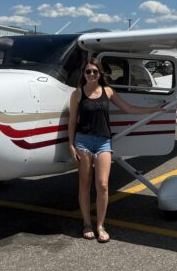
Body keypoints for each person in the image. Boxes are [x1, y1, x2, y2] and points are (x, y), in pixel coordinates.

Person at [68, 58, 163, 243]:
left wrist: (154, 109)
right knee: (85, 184)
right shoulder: (78, 93)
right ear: (84, 74)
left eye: (95, 72)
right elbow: (72, 120)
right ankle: (87, 224)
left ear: (100, 74)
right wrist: (71, 145)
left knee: (102, 184)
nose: (92, 75)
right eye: (88, 72)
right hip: (83, 142)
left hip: (104, 142)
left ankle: (100, 225)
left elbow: (128, 108)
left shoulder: (108, 91)